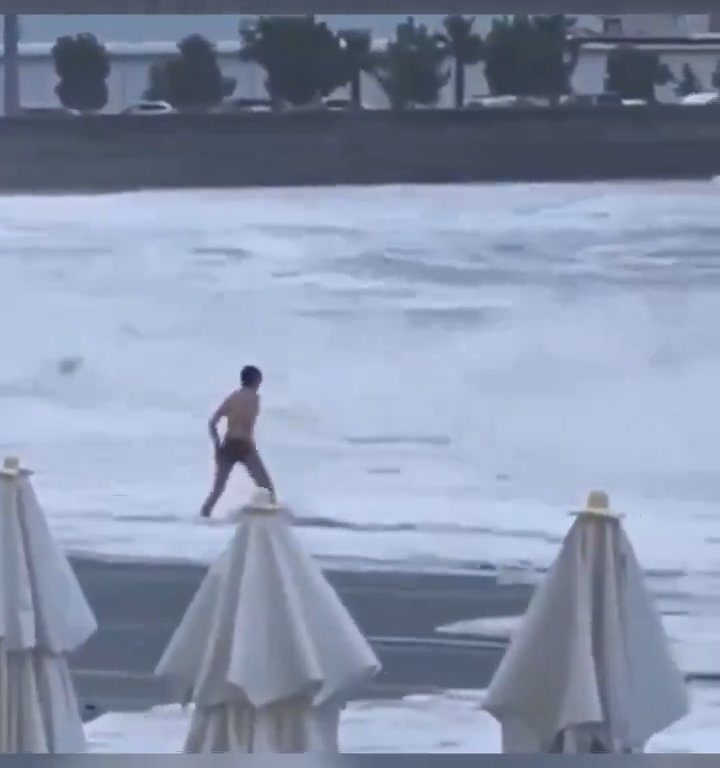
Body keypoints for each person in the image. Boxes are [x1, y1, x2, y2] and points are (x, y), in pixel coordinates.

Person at [199, 365, 276, 518]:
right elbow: (247, 425)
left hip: (228, 445)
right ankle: (273, 517)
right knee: (267, 487)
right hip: (245, 446)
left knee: (217, 490)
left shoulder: (233, 397)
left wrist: (217, 445)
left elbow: (212, 422)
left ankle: (203, 516)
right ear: (255, 380)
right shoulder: (255, 398)